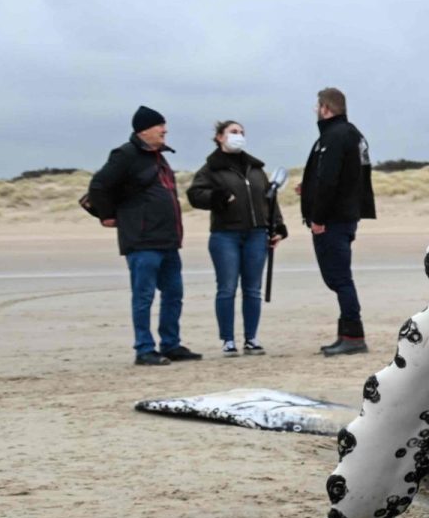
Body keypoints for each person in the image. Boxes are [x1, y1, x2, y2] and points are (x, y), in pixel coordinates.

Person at [84, 106, 201, 365]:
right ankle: (144, 348)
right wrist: (107, 215)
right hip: (142, 240)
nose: (165, 131)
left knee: (174, 293)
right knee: (144, 295)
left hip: (168, 240)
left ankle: (170, 344)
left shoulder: (159, 156)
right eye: (160, 126)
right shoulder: (125, 155)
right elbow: (99, 186)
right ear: (144, 130)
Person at [187, 120, 288, 356]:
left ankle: (251, 338)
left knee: (253, 289)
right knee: (227, 288)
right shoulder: (210, 168)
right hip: (225, 235)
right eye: (233, 132)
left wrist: (278, 227)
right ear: (220, 137)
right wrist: (217, 197)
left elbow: (269, 199)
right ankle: (228, 340)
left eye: (241, 132)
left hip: (256, 233)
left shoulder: (255, 168)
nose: (238, 136)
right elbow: (195, 194)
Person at [300, 87, 377, 356]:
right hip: (346, 215)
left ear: (325, 108)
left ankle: (353, 336)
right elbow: (348, 176)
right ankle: (346, 333)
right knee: (338, 277)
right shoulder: (353, 134)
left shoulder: (334, 137)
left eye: (317, 106)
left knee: (339, 278)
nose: (315, 111)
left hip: (333, 220)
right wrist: (307, 188)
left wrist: (319, 217)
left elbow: (331, 179)